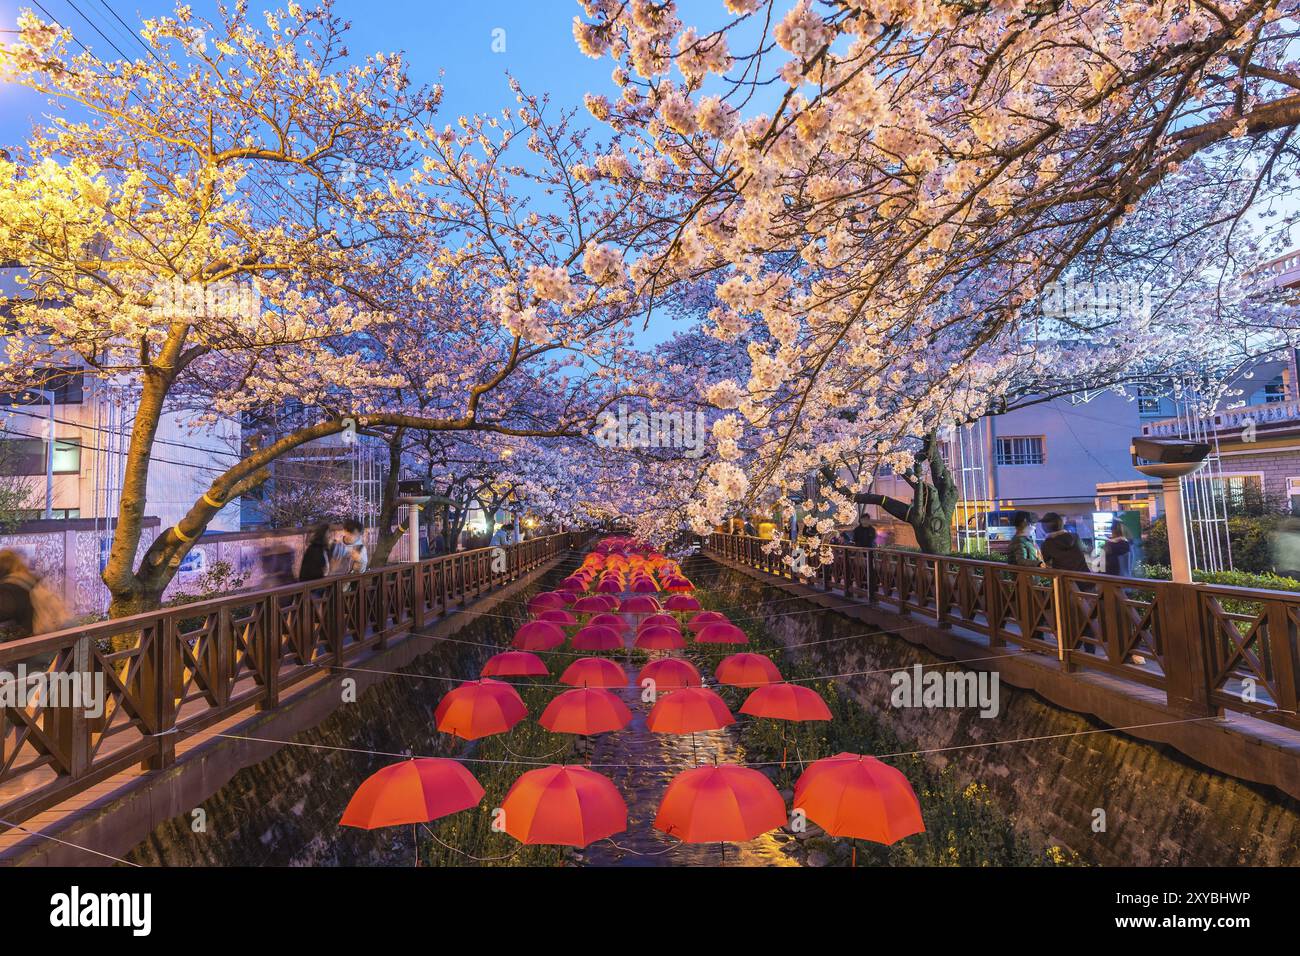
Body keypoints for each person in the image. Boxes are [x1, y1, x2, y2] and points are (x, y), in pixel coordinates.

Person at [0, 549, 69, 639]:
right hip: (41, 640)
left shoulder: (11, 588)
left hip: (23, 646)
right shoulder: (30, 581)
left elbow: (3, 612)